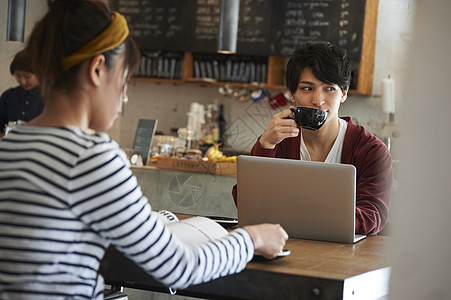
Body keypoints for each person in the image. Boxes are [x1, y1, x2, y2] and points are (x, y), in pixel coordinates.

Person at [0, 1, 288, 299]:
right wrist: (251, 239)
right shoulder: (90, 154)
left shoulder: (12, 144)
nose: (124, 99)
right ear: (98, 69)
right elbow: (178, 266)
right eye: (124, 81)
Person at [233, 41, 393, 236]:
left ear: (344, 93)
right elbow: (246, 203)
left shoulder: (370, 150)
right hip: (286, 246)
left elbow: (372, 217)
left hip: (345, 255)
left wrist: (298, 213)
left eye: (329, 89)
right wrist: (265, 145)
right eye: (307, 89)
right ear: (292, 93)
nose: (318, 101)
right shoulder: (279, 141)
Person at [0, 49, 44, 136]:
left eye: (27, 77)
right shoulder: (8, 96)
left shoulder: (50, 98)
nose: (23, 81)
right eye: (18, 76)